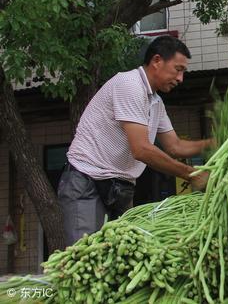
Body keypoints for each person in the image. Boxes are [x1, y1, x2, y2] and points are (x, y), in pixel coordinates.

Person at [58, 35, 212, 246]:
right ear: (157, 61)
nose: (180, 79)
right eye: (178, 69)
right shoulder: (129, 84)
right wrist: (190, 174)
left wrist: (216, 143)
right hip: (87, 182)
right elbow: (141, 150)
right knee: (86, 254)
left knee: (120, 257)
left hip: (120, 187)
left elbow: (175, 146)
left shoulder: (155, 102)